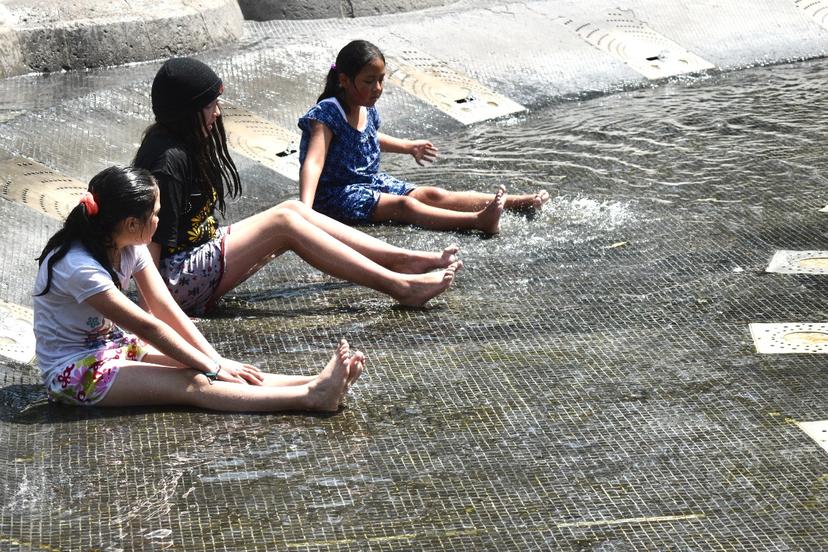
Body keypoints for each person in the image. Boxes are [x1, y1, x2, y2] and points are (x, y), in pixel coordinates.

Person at [134, 56, 462, 316]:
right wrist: (153, 320)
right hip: (175, 284)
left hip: (195, 262)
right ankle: (400, 286)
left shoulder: (183, 142)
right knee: (285, 223)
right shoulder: (166, 161)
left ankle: (403, 259)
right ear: (186, 111)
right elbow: (146, 253)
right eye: (209, 106)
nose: (217, 114)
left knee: (292, 210)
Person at [33, 166, 363, 412]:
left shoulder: (129, 245)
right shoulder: (79, 267)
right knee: (195, 381)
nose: (160, 221)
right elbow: (149, 325)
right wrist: (212, 367)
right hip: (75, 371)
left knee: (214, 367)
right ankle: (310, 398)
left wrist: (216, 359)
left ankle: (316, 384)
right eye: (157, 214)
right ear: (132, 224)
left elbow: (166, 309)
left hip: (117, 349)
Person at [298, 39, 550, 235]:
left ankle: (518, 202)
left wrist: (408, 147)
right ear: (344, 80)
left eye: (381, 80)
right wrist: (305, 211)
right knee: (404, 207)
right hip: (335, 195)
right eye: (369, 81)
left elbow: (366, 138)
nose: (378, 88)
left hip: (370, 182)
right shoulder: (327, 113)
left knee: (432, 195)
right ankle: (478, 221)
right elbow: (314, 161)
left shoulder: (365, 104)